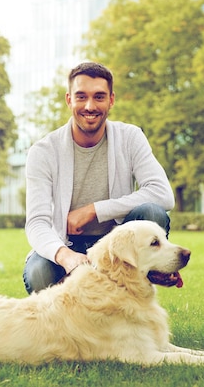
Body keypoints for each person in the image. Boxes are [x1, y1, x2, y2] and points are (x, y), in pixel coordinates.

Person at [23, 62, 175, 294]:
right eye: (81, 97)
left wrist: (94, 210)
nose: (90, 106)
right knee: (39, 275)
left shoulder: (130, 137)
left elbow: (163, 194)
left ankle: (132, 299)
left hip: (117, 243)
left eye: (99, 97)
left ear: (111, 100)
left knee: (153, 213)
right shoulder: (43, 152)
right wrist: (66, 257)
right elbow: (37, 223)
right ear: (69, 100)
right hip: (67, 244)